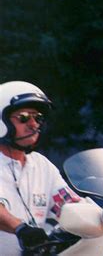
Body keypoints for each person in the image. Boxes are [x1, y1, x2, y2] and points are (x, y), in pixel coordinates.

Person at [0, 81, 81, 255]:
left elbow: (67, 202)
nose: (33, 124)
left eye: (37, 117)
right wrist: (19, 228)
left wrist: (102, 215)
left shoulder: (42, 165)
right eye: (23, 117)